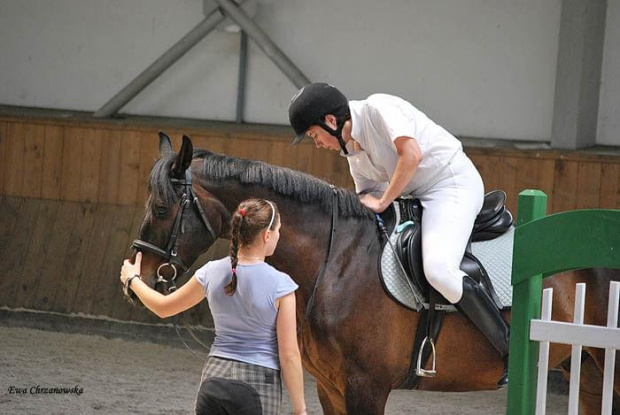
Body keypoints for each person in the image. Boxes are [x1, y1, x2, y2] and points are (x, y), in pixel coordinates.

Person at [288, 82, 509, 387]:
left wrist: (382, 201)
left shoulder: (379, 108)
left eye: (314, 135)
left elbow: (412, 155)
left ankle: (509, 348)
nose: (317, 144)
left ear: (330, 121)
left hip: (450, 184)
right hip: (414, 198)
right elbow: (366, 195)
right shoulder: (352, 151)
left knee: (439, 270)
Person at [120, 198, 307, 414]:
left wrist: (133, 279)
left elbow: (163, 307)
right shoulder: (281, 285)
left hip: (213, 380)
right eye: (277, 231)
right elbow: (289, 355)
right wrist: (300, 408)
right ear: (266, 235)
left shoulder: (211, 272)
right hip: (257, 385)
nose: (278, 236)